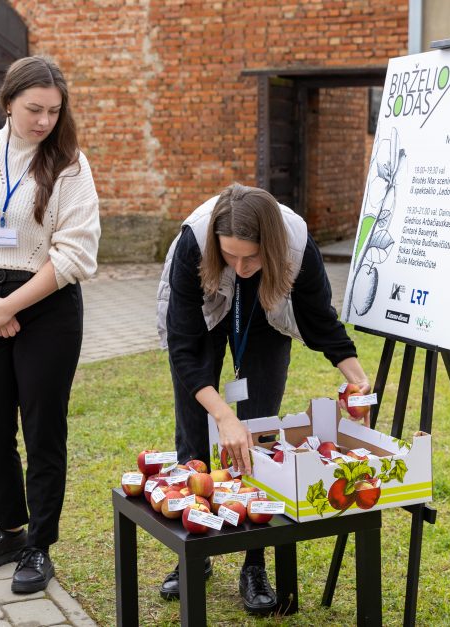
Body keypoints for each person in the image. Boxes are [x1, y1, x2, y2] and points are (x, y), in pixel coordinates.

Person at [157, 183, 370, 614]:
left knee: (259, 436)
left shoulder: (295, 243)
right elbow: (183, 345)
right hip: (204, 310)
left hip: (264, 313)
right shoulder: (193, 244)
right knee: (195, 435)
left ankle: (254, 563)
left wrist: (357, 375)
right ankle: (194, 553)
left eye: (249, 256)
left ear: (269, 247)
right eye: (230, 256)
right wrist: (221, 414)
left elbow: (316, 316)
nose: (239, 266)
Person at [0, 55, 100, 593]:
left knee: (42, 429)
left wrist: (13, 306)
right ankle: (9, 529)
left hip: (48, 303)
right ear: (8, 103)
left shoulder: (71, 163)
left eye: (55, 111)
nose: (45, 121)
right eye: (34, 109)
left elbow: (76, 252)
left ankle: (39, 546)